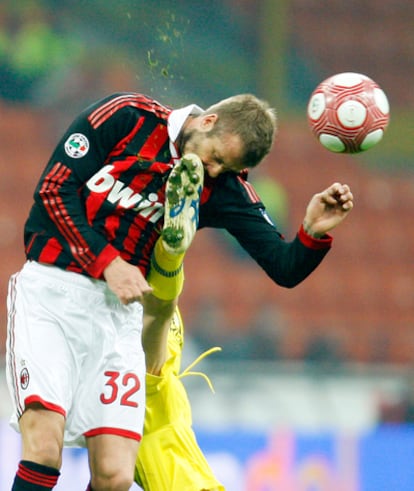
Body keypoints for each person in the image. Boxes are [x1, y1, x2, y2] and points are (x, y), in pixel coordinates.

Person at [5, 91, 353, 491]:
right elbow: (53, 191)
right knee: (45, 448)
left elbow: (283, 267)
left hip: (119, 317)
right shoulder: (126, 117)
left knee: (115, 477)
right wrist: (109, 264)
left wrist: (312, 231)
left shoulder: (222, 185)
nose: (215, 170)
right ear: (207, 121)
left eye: (228, 167)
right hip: (54, 294)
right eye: (217, 157)